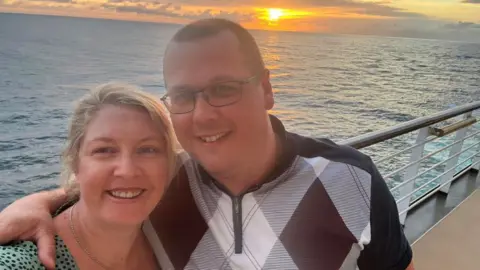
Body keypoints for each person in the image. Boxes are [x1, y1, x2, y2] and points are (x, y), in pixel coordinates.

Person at [0, 19, 414, 270]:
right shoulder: (167, 183)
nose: (202, 115)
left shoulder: (351, 179)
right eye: (183, 96)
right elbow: (108, 187)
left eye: (223, 88)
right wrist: (35, 204)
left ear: (267, 89)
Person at [0, 82, 177, 269]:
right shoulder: (21, 262)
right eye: (104, 150)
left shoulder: (168, 234)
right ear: (76, 162)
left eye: (147, 149)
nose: (127, 170)